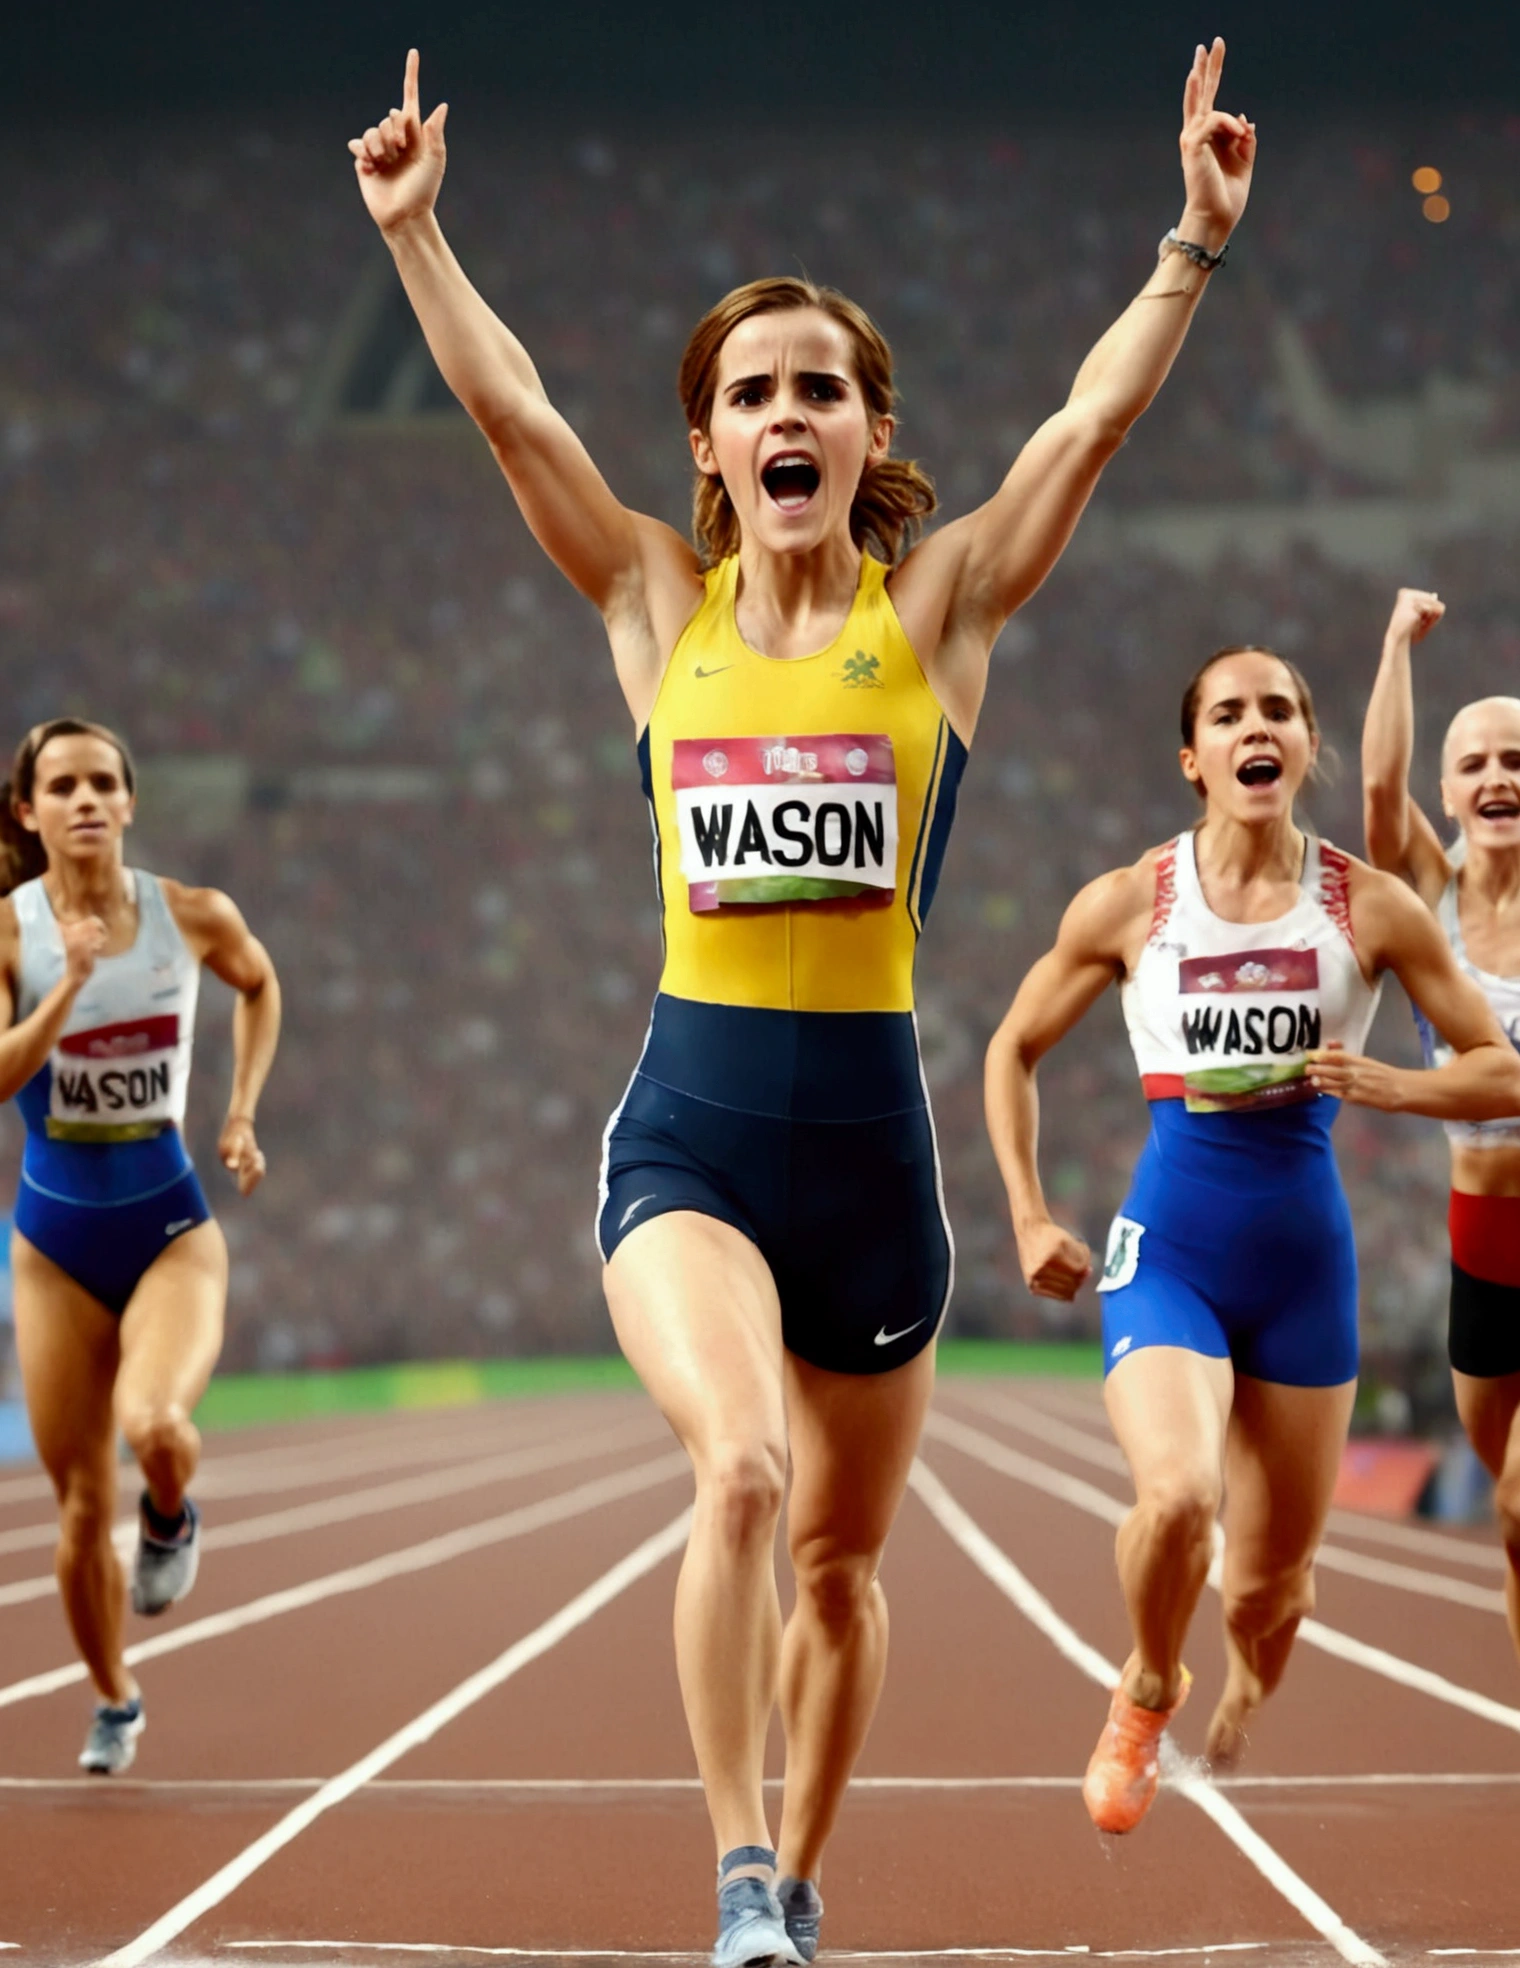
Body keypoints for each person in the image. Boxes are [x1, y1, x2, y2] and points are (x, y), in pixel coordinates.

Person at [350, 39, 1254, 1960]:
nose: (786, 412)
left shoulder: (935, 618)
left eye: (819, 389)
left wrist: (1188, 239)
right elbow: (511, 414)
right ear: (706, 444)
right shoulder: (648, 606)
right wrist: (420, 236)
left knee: (842, 1565)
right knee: (744, 1467)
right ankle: (738, 1864)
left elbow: (1084, 430)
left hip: (872, 1162)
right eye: (750, 389)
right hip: (687, 1133)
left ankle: (806, 1876)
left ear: (864, 432)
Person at [985, 645, 1520, 1835]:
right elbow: (1010, 1047)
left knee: (1271, 1592)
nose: (1254, 726)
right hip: (1169, 1250)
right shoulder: (1131, 902)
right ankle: (1141, 1689)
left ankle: (1234, 1677)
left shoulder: (1366, 906)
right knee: (1175, 1501)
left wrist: (1389, 1084)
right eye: (1227, 714)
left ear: (1303, 745)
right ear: (1195, 759)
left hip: (1301, 1275)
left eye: (1277, 709)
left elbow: (1492, 1068)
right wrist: (1026, 1207)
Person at [4, 720, 280, 1774]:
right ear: (27, 811)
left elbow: (260, 986)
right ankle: (114, 1695)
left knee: (157, 1424)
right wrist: (67, 987)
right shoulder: (11, 936)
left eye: (102, 782)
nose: (84, 799)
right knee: (77, 1504)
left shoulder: (193, 916)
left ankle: (172, 1514)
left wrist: (243, 1110)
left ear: (129, 803)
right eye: (61, 784)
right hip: (54, 1239)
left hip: (168, 1224)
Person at [1362, 587, 1520, 1666]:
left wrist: (1387, 1087)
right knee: (1511, 1529)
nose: (1496, 780)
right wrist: (1393, 646)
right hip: (1477, 1243)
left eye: (1513, 760)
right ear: (1447, 793)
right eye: (1472, 766)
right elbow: (1375, 786)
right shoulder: (1424, 890)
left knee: (1518, 1494)